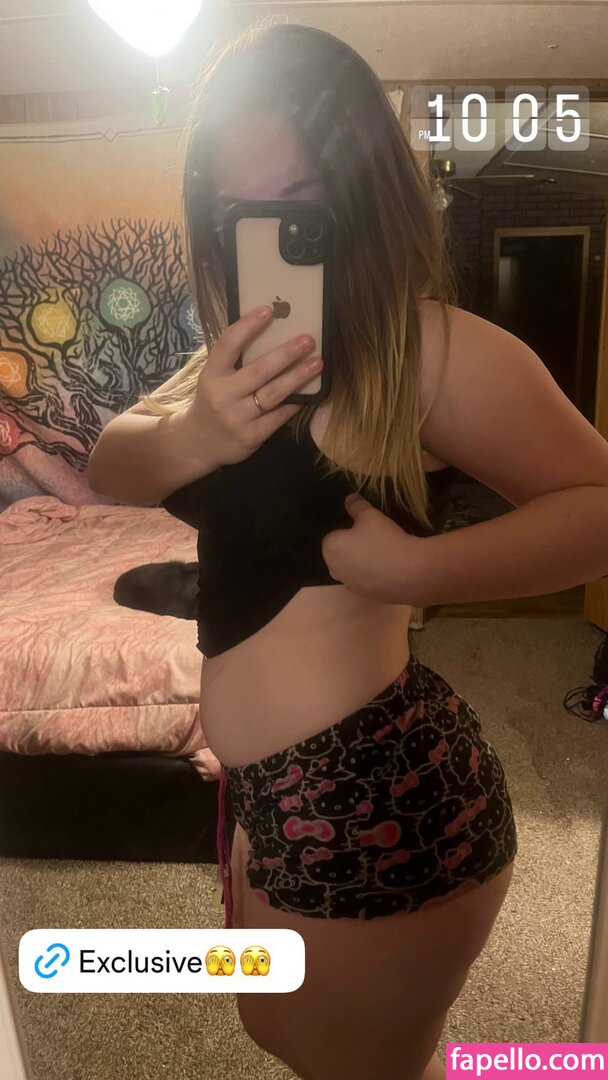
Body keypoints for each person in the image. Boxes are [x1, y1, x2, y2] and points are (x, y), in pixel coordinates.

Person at [87, 22, 608, 1080]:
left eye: (300, 198)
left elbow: (597, 504)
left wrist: (418, 571)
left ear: (364, 190)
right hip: (265, 791)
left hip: (374, 797)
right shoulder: (238, 357)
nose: (267, 230)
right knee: (283, 1035)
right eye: (237, 208)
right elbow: (110, 464)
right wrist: (198, 434)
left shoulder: (427, 348)